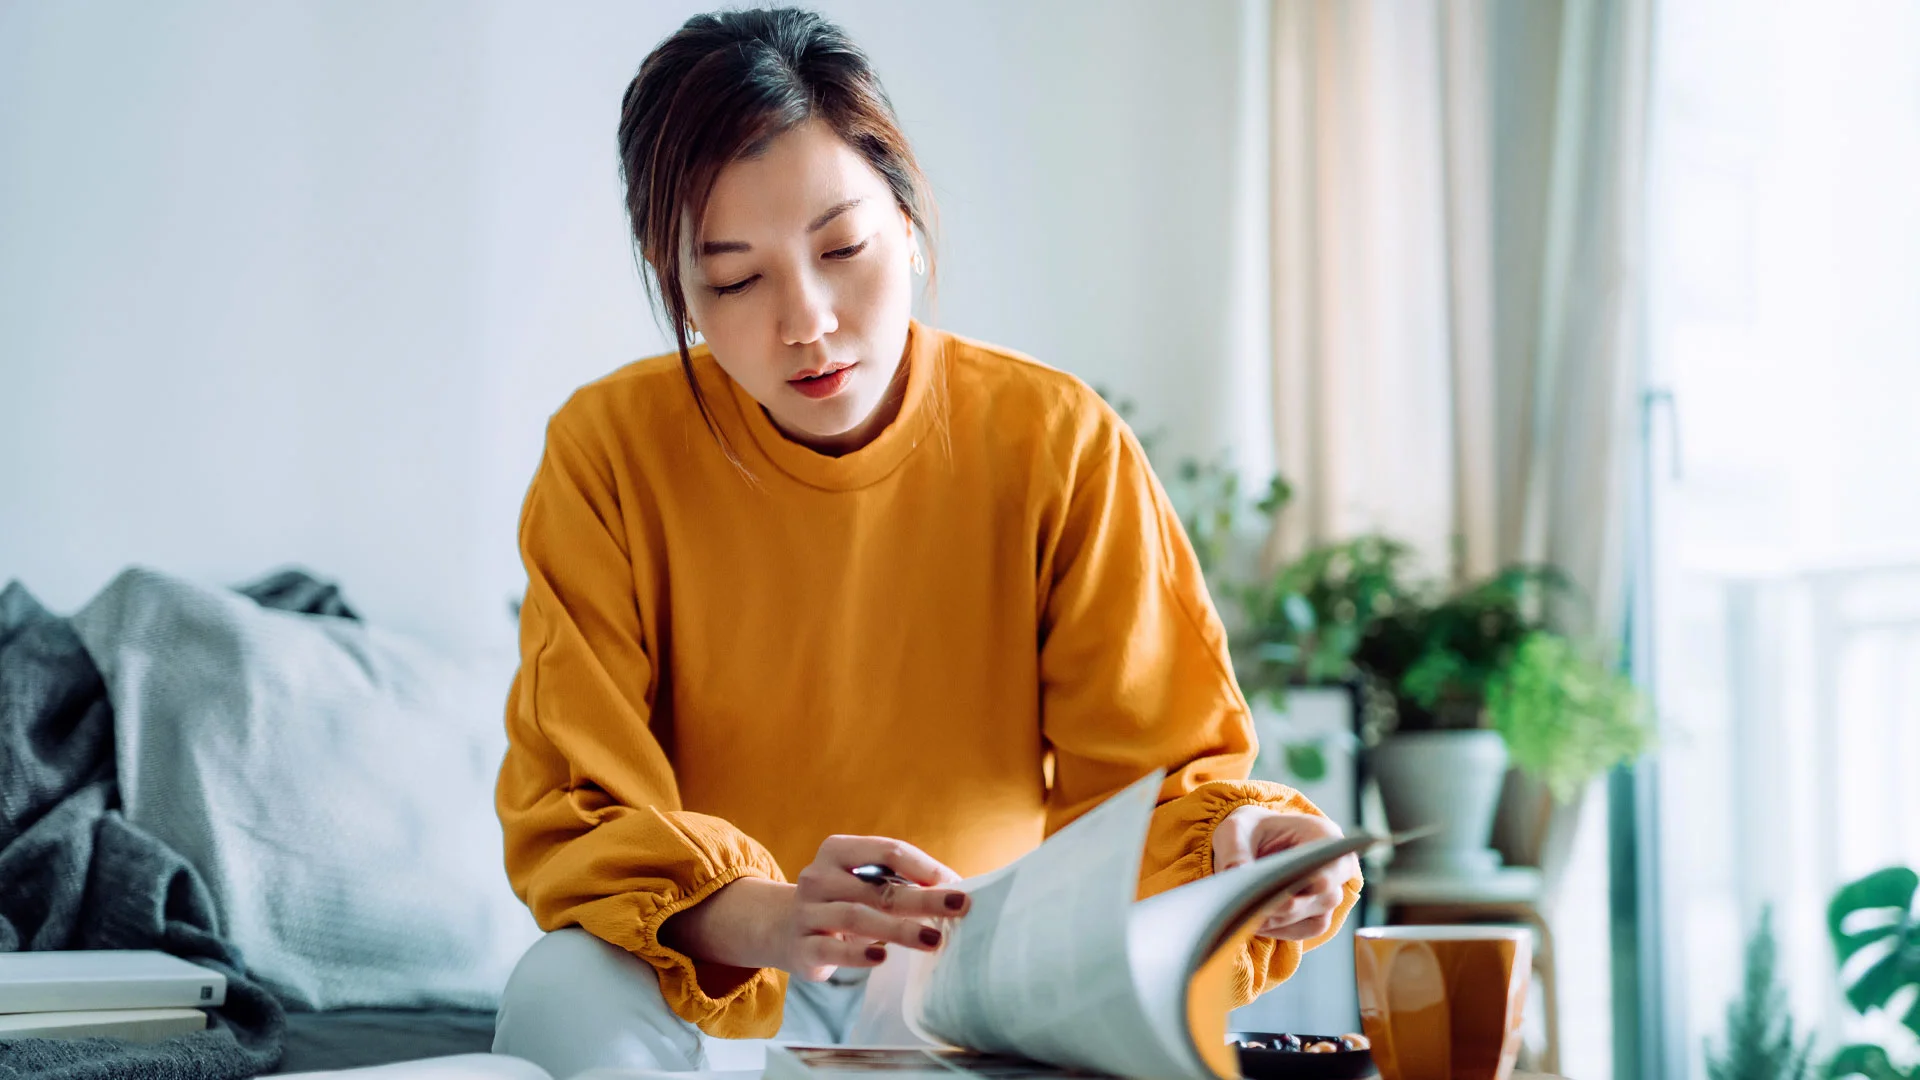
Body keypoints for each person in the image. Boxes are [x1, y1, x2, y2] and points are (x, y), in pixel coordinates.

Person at [490, 8, 1362, 1077]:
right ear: (675, 283)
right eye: (734, 278)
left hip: (980, 999)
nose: (805, 319)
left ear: (906, 220)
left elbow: (1160, 778)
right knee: (560, 988)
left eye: (841, 247)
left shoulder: (1058, 440)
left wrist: (1243, 856)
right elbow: (579, 808)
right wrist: (772, 916)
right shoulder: (608, 453)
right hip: (730, 991)